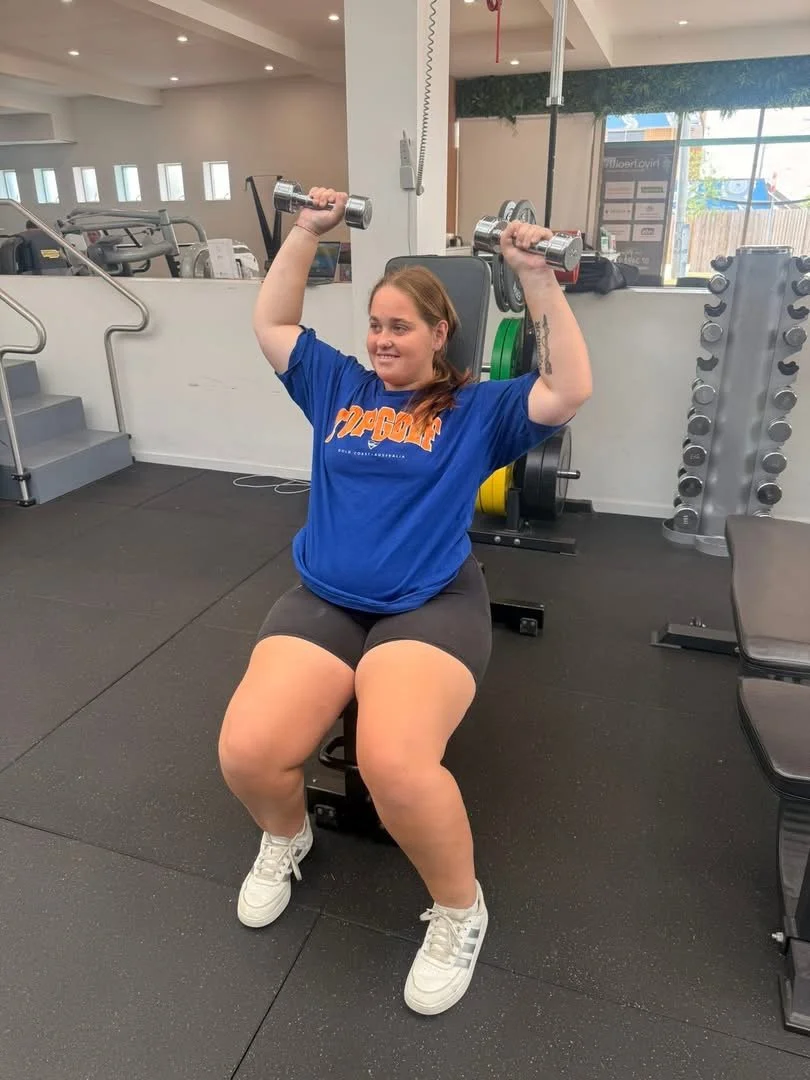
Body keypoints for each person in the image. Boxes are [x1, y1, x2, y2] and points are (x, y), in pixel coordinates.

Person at [219, 188, 593, 1016]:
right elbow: (274, 326)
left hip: (429, 603)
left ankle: (461, 910)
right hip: (326, 598)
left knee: (394, 765)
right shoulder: (337, 388)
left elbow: (568, 390)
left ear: (438, 334)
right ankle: (287, 836)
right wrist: (307, 235)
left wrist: (537, 276)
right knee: (249, 751)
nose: (384, 339)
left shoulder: (475, 411)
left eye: (401, 327)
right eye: (377, 324)